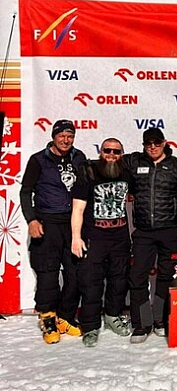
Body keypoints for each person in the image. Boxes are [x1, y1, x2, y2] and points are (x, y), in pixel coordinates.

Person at [123, 127, 177, 343]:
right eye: (148, 143)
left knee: (165, 276)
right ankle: (142, 324)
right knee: (137, 276)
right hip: (143, 231)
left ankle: (160, 320)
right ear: (143, 145)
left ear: (165, 143)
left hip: (171, 230)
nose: (153, 147)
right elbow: (109, 162)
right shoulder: (135, 163)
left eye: (157, 143)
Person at [20, 119, 86, 344]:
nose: (66, 140)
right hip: (47, 222)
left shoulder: (79, 157)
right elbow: (25, 191)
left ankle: (65, 316)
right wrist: (31, 220)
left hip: (73, 223)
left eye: (70, 136)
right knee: (47, 272)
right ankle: (48, 318)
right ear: (53, 136)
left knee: (75, 271)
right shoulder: (39, 159)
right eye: (62, 136)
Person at [70, 138, 131, 347]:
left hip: (120, 237)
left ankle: (113, 316)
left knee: (119, 281)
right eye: (107, 151)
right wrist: (76, 237)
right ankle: (90, 326)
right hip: (94, 238)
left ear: (121, 154)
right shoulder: (88, 173)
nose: (111, 155)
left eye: (116, 151)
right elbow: (77, 209)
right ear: (101, 152)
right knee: (90, 283)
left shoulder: (126, 173)